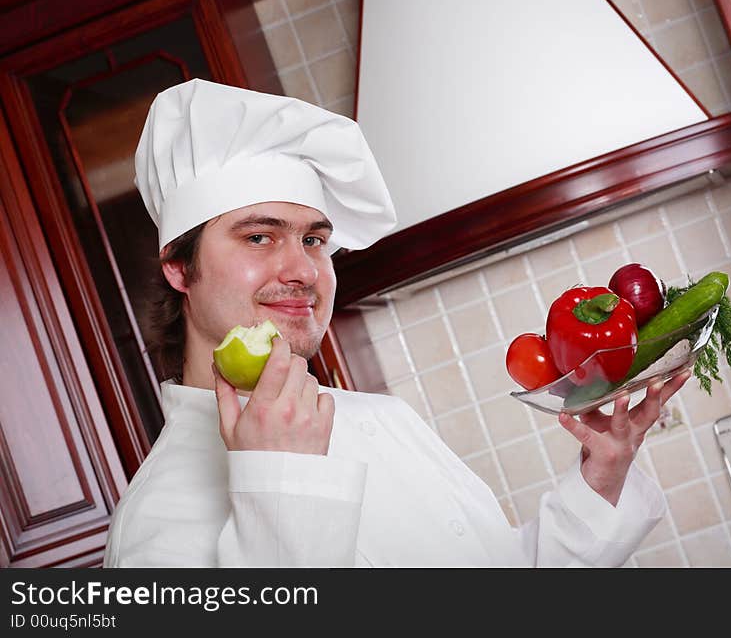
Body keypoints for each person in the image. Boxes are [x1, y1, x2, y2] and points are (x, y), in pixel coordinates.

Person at [103, 78, 689, 568]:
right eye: (260, 236)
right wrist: (280, 484)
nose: (303, 269)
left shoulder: (383, 419)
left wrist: (605, 475)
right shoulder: (156, 529)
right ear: (180, 268)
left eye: (314, 240)